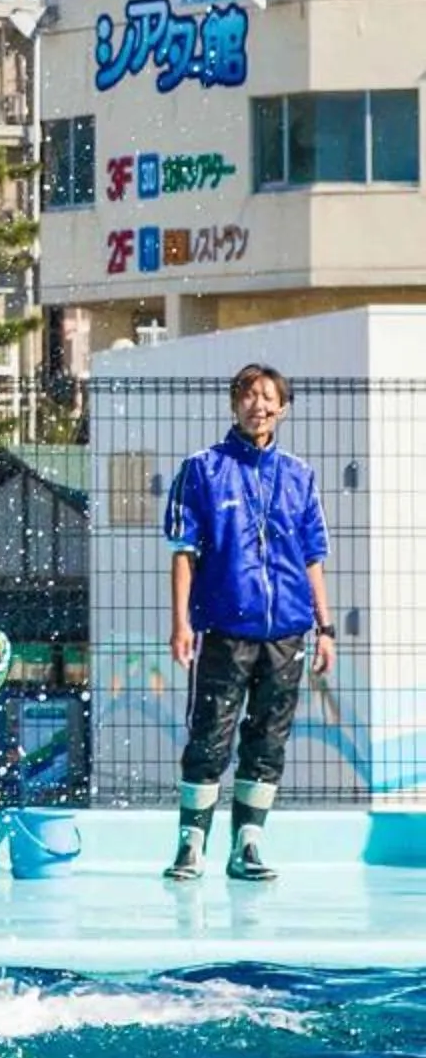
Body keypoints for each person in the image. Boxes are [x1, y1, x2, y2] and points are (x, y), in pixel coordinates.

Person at [163, 362, 337, 882]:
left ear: (282, 409)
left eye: (267, 398)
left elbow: (312, 556)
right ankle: (191, 845)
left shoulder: (299, 476)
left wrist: (324, 628)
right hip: (222, 628)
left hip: (287, 629)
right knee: (210, 735)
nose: (257, 405)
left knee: (268, 738)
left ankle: (248, 844)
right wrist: (180, 623)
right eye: (247, 396)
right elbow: (183, 551)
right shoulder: (203, 469)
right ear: (233, 404)